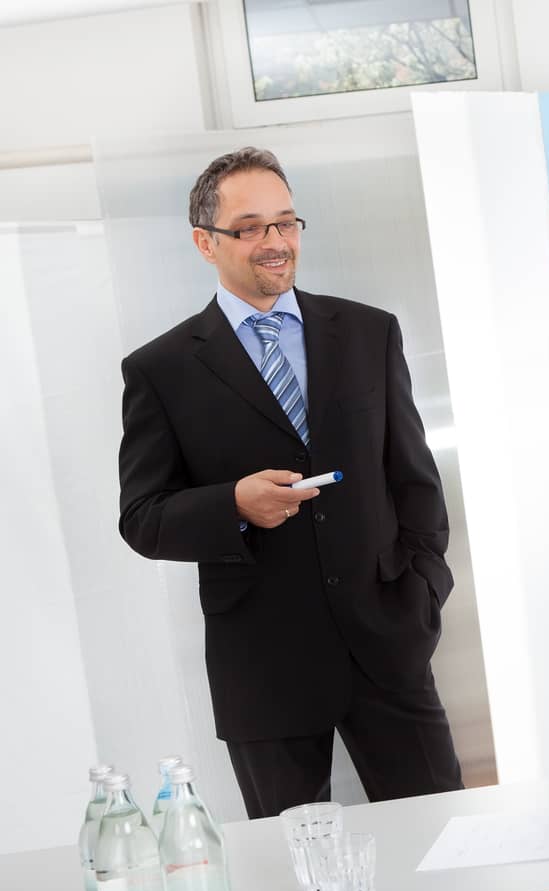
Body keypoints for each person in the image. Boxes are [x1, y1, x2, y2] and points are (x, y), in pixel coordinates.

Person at [118, 147, 462, 819]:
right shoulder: (160, 369)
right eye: (249, 227)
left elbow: (415, 483)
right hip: (263, 666)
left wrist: (423, 595)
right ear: (205, 243)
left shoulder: (369, 333)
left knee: (445, 841)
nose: (275, 242)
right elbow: (142, 516)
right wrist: (233, 504)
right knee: (294, 872)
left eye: (286, 223)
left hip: (388, 643)